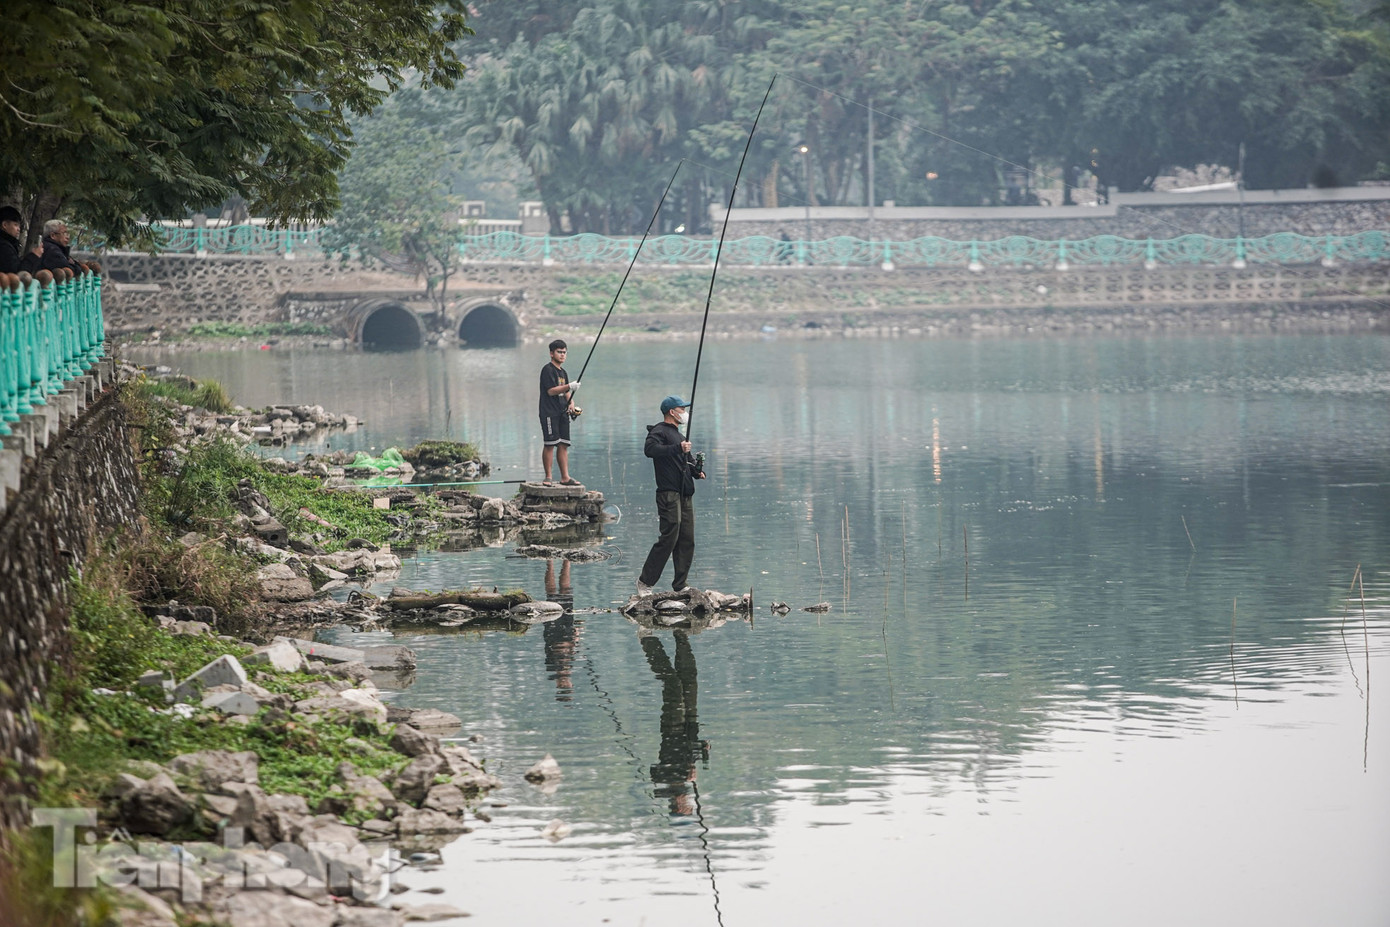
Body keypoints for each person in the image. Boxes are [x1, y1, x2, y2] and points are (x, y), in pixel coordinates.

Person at [636, 396, 705, 595]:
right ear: (671, 412)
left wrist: (697, 472)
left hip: (685, 494)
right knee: (669, 537)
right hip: (668, 494)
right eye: (681, 409)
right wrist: (677, 448)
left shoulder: (680, 436)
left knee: (687, 539)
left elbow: (688, 461)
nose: (684, 412)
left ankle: (680, 585)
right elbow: (650, 450)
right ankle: (645, 582)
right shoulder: (658, 431)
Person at [641, 630, 707, 816]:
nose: (689, 803)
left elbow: (657, 770)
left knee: (673, 685)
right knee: (689, 679)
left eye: (687, 807)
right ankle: (680, 633)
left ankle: (647, 640)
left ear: (678, 806)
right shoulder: (686, 781)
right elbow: (691, 752)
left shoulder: (664, 783)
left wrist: (683, 775)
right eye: (690, 806)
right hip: (691, 726)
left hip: (674, 727)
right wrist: (701, 752)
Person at [538, 339, 579, 486]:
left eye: (564, 352)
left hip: (562, 412)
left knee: (563, 444)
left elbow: (566, 392)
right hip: (549, 412)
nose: (562, 355)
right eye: (559, 352)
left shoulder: (564, 372)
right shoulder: (547, 370)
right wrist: (569, 385)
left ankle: (565, 477)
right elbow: (551, 391)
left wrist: (572, 404)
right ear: (551, 353)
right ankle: (548, 477)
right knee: (550, 444)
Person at [0, 206, 42, 274]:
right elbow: (17, 273)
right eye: (15, 225)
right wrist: (34, 256)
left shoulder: (9, 244)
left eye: (19, 226)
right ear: (4, 225)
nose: (18, 229)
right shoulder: (4, 247)